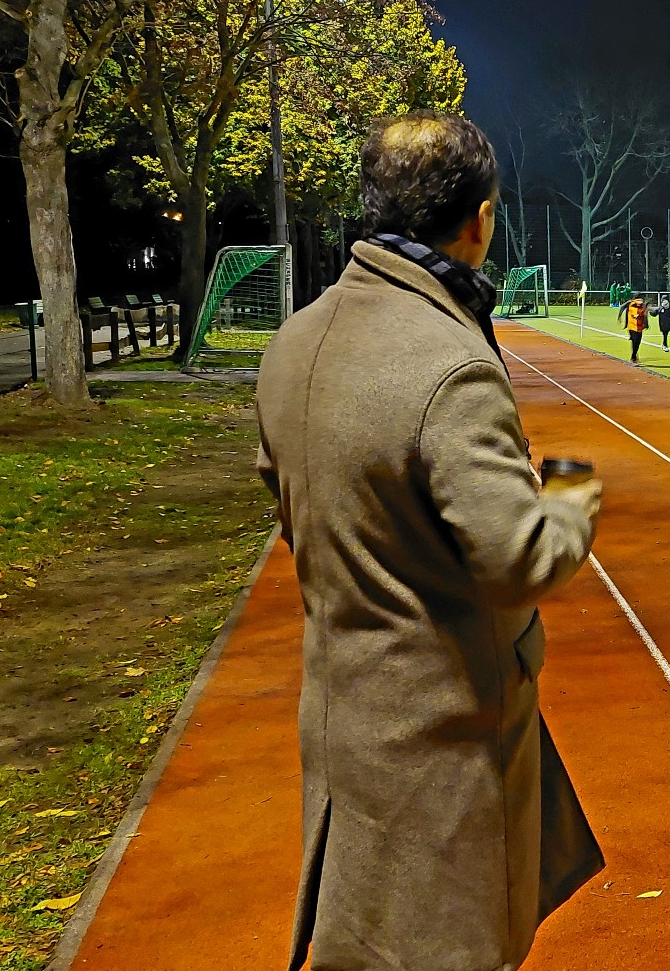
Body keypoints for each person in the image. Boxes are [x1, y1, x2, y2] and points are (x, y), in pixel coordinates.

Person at [256, 111, 603, 971]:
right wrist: (570, 496)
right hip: (442, 732)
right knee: (454, 943)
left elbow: (290, 493)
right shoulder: (450, 361)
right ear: (480, 219)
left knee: (365, 940)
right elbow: (520, 556)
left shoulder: (294, 340)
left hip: (343, 708)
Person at [618, 294, 649, 362]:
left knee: (638, 342)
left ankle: (634, 354)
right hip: (631, 326)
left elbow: (645, 314)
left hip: (640, 327)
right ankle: (634, 356)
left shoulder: (643, 306)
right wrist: (619, 316)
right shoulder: (630, 304)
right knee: (634, 341)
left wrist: (646, 324)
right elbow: (622, 307)